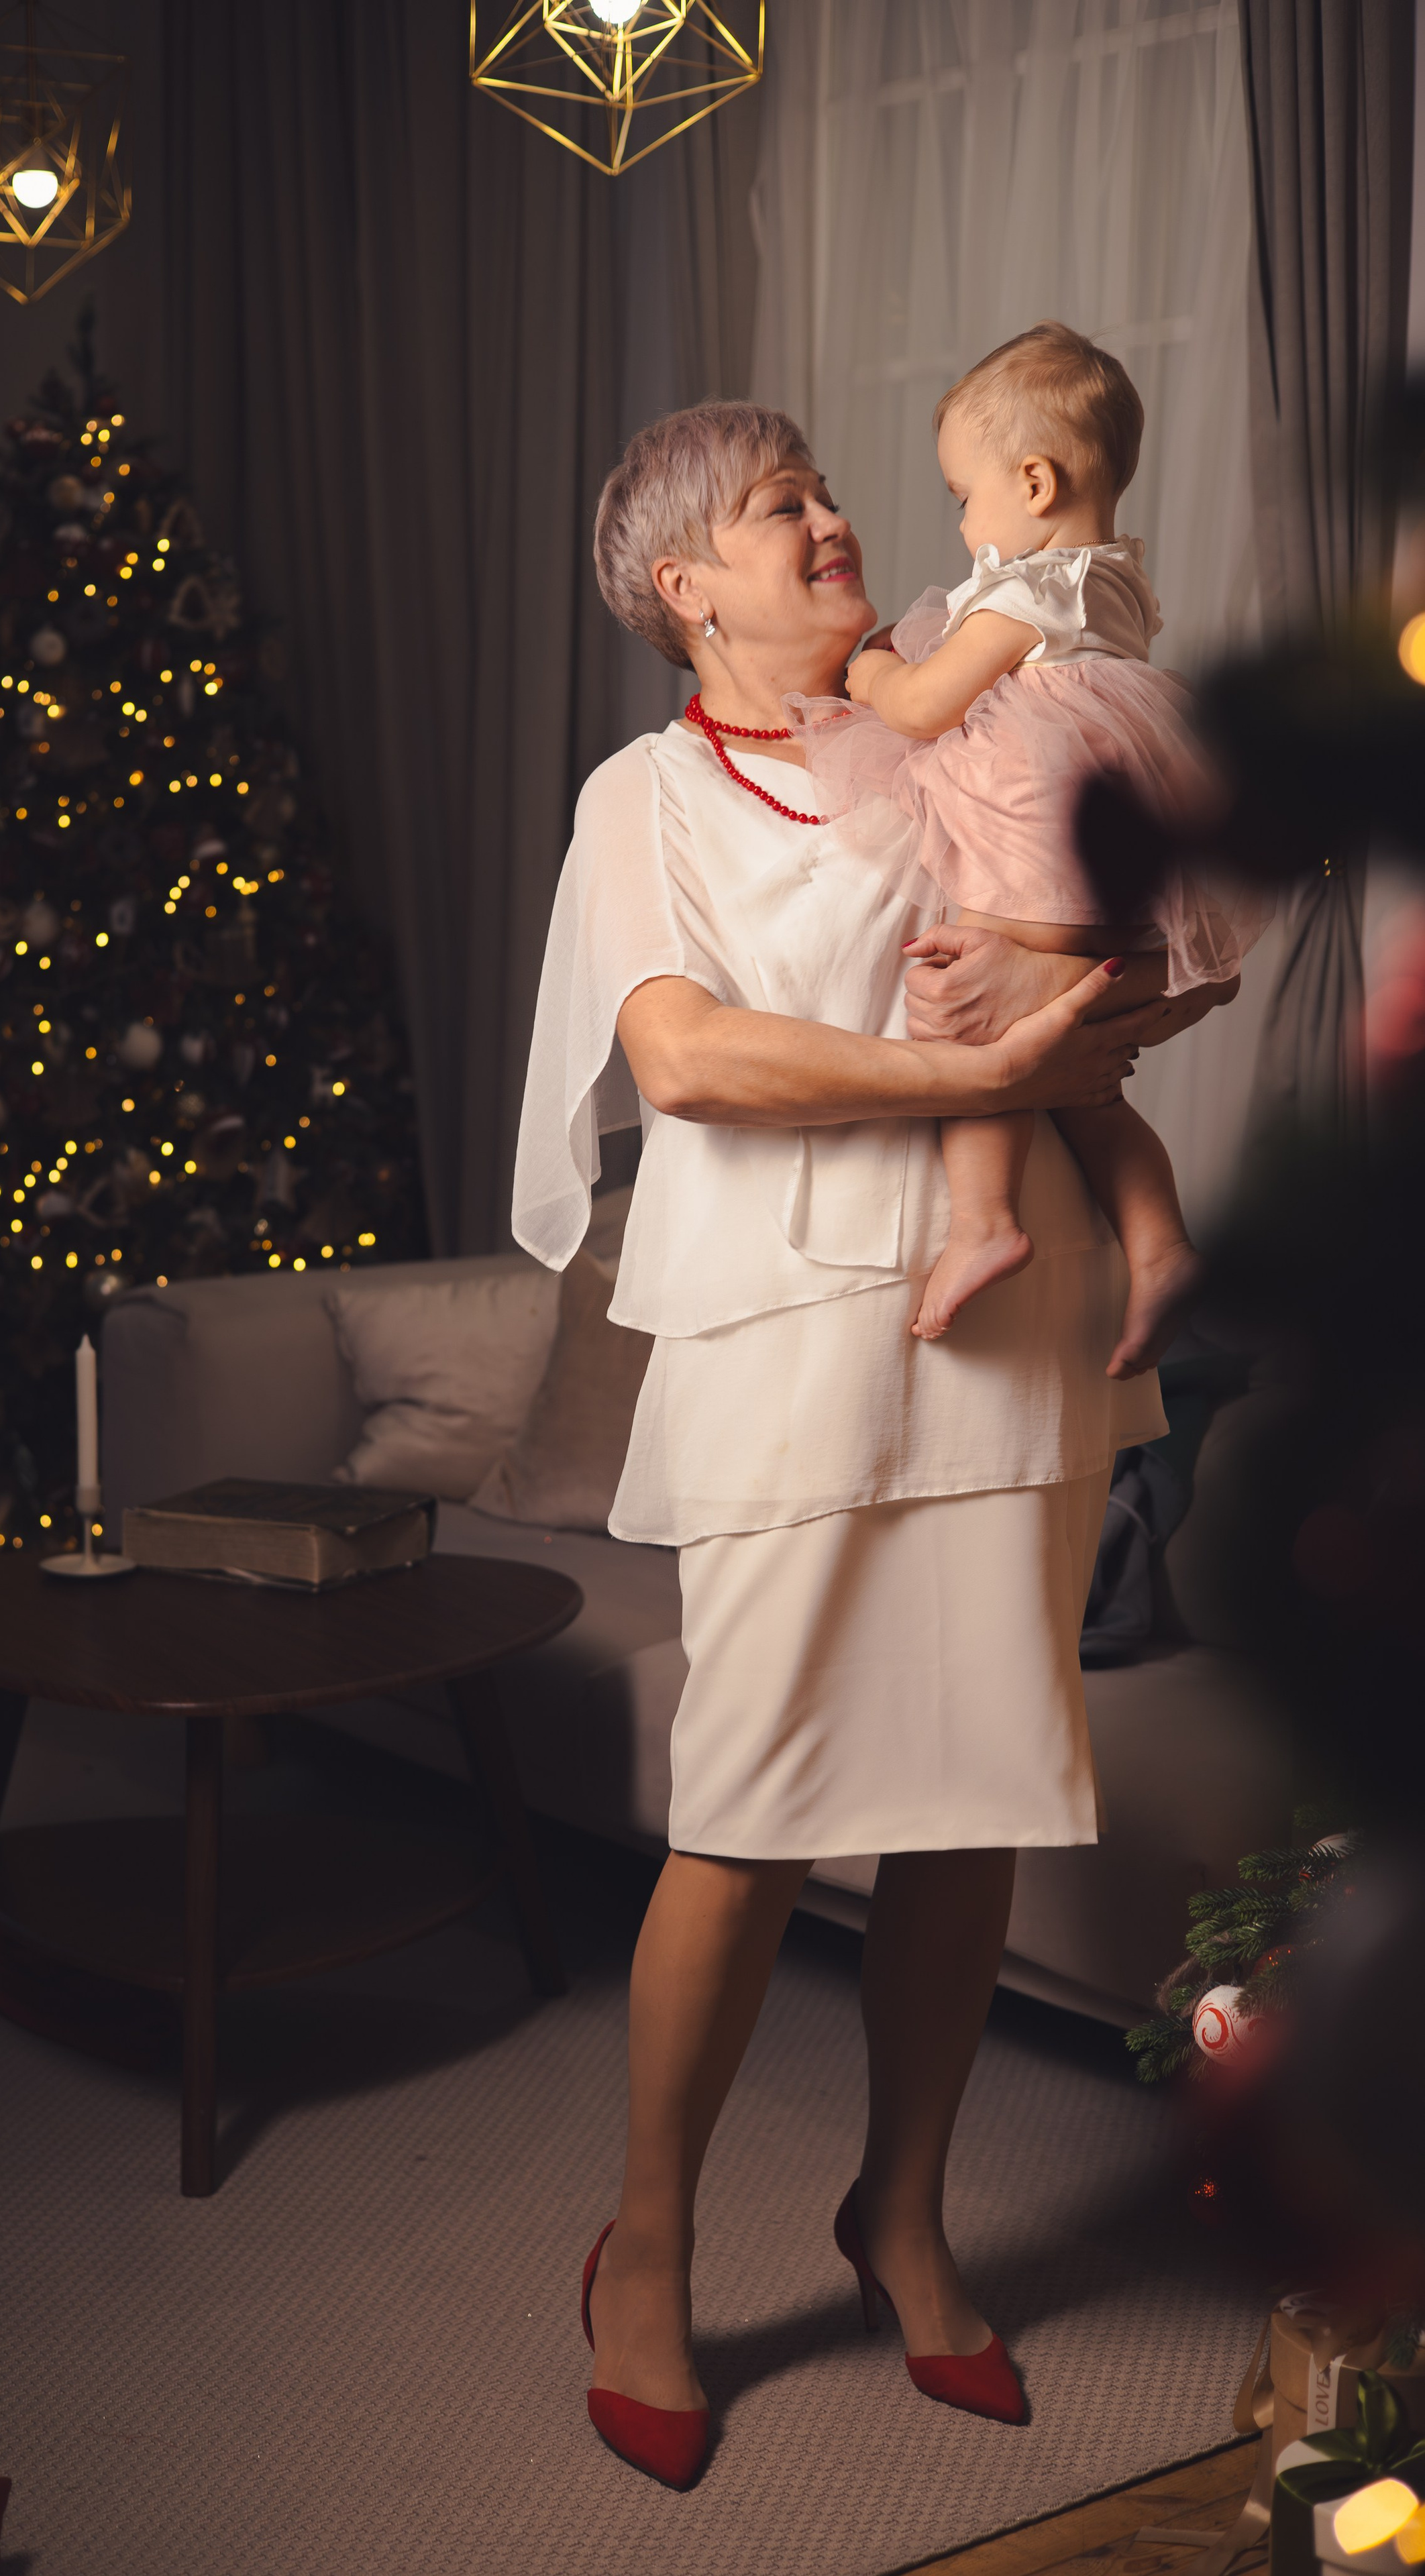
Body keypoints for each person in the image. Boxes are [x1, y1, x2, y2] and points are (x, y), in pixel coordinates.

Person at [512, 400, 1183, 2490]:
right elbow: (692, 1060)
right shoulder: (644, 798)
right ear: (681, 588)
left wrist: (1118, 998)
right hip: (788, 1330)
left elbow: (1097, 962)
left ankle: (902, 2211)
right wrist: (970, 1070)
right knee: (748, 1807)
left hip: (1010, 1318)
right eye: (773, 507)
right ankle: (649, 2244)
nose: (828, 518)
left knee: (970, 1800)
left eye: (821, 489)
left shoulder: (962, 728)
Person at [789, 323, 1267, 1366]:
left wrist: (870, 673)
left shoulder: (1025, 591)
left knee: (973, 1030)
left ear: (1036, 484)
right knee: (1081, 1083)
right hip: (1112, 848)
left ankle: (984, 1223)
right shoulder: (1118, 582)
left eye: (964, 497)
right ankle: (1162, 1247)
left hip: (1034, 829)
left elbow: (925, 707)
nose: (965, 523)